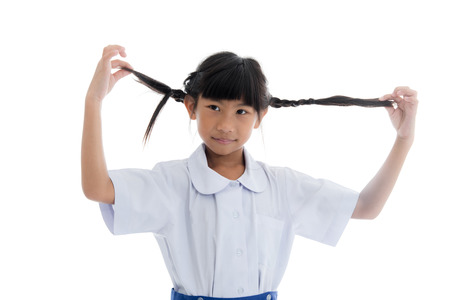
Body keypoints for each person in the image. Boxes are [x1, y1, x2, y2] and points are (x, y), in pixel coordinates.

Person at [81, 45, 418, 300]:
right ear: (191, 106)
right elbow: (98, 188)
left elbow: (367, 207)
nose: (226, 124)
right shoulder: (171, 184)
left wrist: (404, 139)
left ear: (260, 116)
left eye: (242, 111)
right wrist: (94, 101)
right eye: (214, 107)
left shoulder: (281, 186)